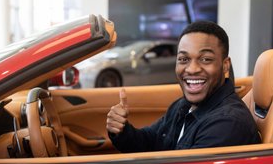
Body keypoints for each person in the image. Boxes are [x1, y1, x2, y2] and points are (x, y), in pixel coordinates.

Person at [106, 21, 261, 152]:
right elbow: (151, 140)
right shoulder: (184, 105)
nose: (192, 69)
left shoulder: (228, 124)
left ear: (225, 65)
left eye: (205, 59)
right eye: (184, 59)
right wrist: (121, 130)